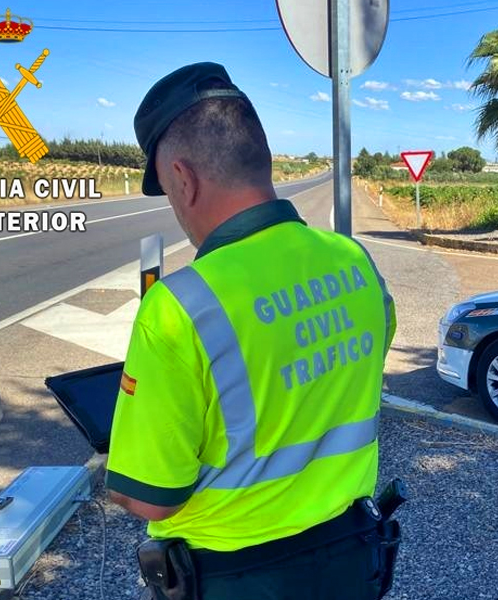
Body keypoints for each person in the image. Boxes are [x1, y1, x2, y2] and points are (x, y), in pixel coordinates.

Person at [105, 62, 397, 600]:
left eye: (169, 191)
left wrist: (115, 462)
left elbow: (152, 498)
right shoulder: (356, 265)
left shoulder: (178, 306)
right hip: (350, 562)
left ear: (184, 180)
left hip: (235, 579)